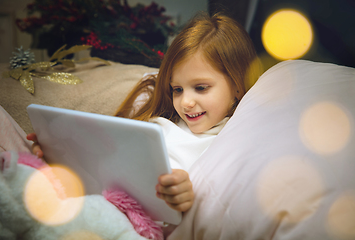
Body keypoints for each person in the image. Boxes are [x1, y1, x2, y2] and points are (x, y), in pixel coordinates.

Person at [27, 12, 261, 214]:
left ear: (237, 85)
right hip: (96, 201)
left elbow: (215, 197)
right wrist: (59, 153)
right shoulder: (158, 124)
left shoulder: (231, 141)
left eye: (201, 88)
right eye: (177, 89)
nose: (186, 102)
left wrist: (187, 198)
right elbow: (104, 166)